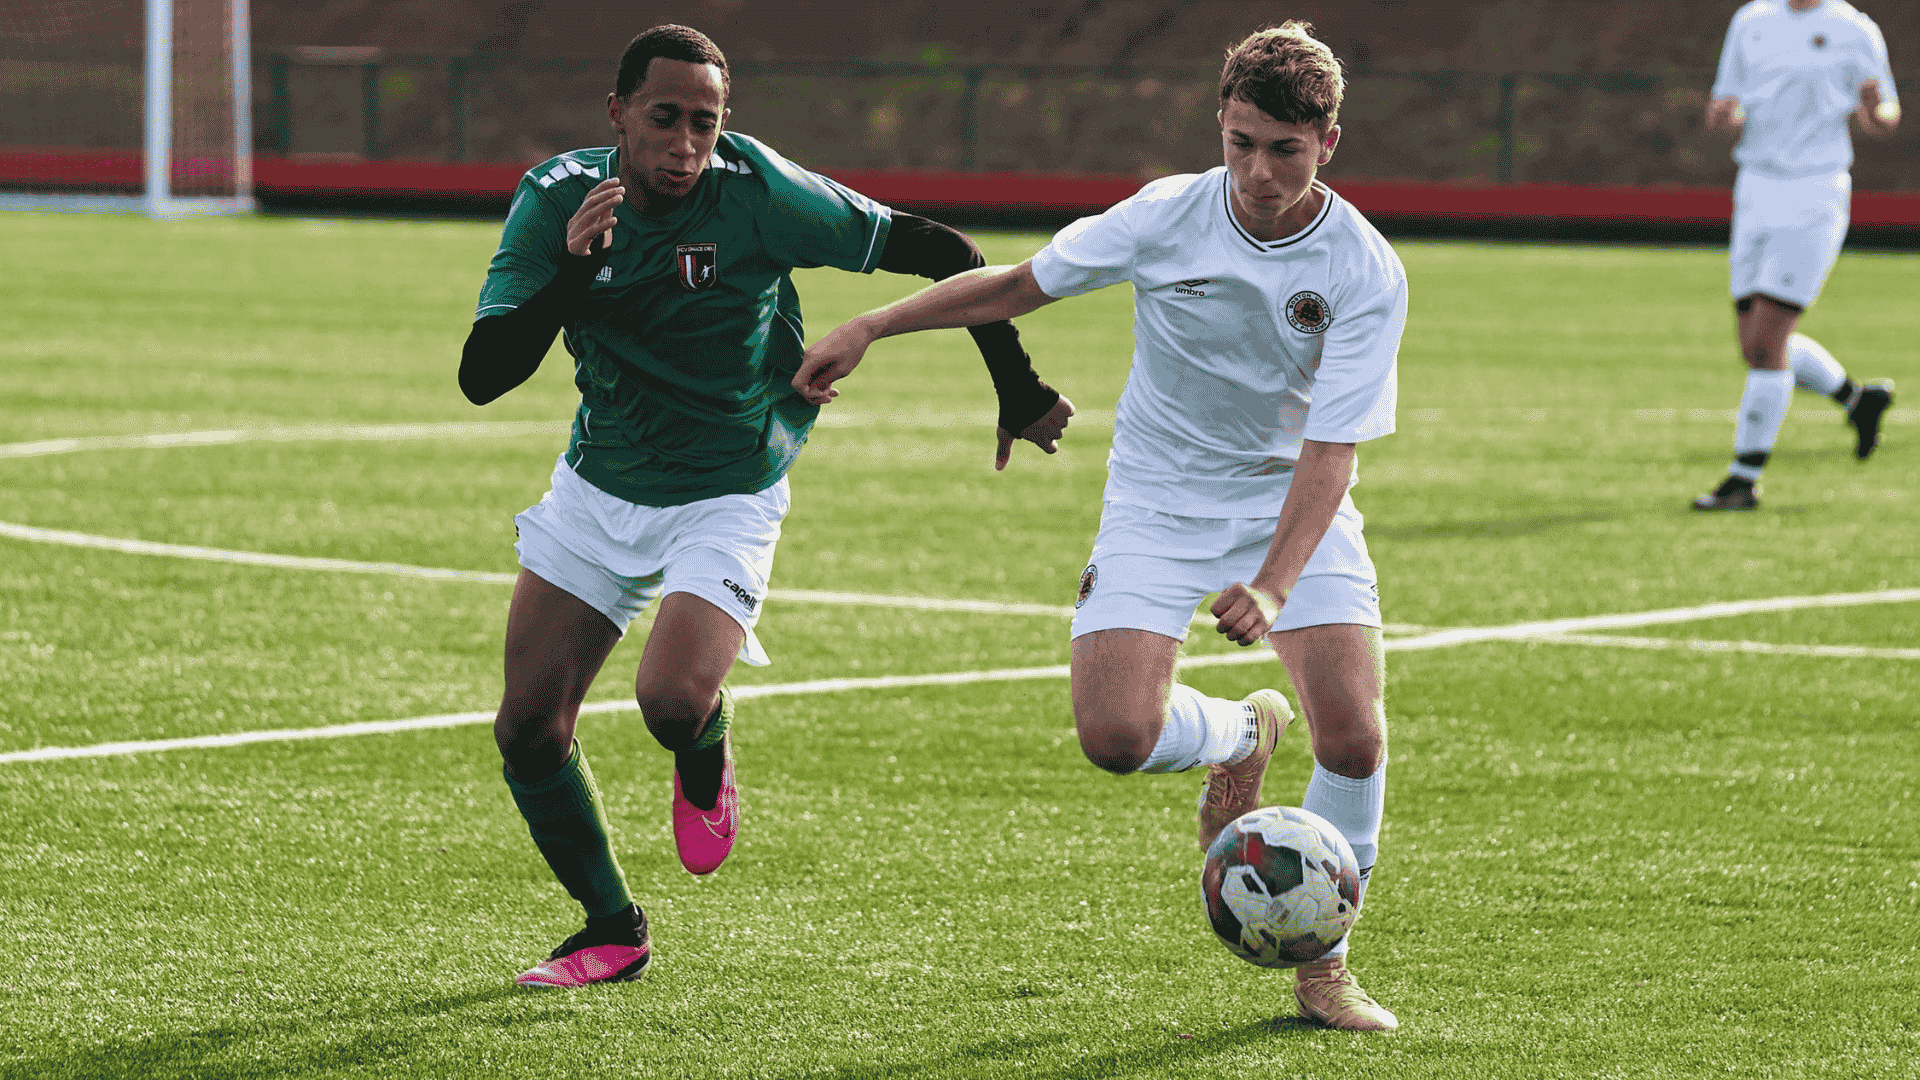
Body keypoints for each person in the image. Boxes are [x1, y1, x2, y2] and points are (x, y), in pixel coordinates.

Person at [795, 22, 1404, 1032]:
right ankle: (1239, 734)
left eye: (1284, 150)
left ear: (1328, 142)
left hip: (1282, 499)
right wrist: (872, 326)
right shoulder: (1167, 213)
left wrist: (1274, 585)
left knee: (1354, 733)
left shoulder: (1362, 268)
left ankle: (1324, 964)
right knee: (1116, 738)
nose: (1258, 170)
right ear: (1222, 123)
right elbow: (1018, 283)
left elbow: (1331, 454)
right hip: (1158, 498)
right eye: (1242, 142)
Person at [459, 24, 1074, 989]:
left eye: (705, 122)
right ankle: (611, 928)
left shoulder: (758, 190)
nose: (686, 143)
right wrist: (573, 274)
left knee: (669, 702)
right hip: (600, 486)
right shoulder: (555, 200)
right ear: (617, 114)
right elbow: (483, 377)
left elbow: (940, 248)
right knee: (526, 732)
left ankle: (702, 746)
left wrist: (1017, 384)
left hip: (729, 485)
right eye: (665, 119)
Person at [1692, 0, 1900, 511]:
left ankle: (1743, 480)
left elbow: (1886, 113)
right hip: (1755, 189)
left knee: (1767, 343)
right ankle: (1858, 399)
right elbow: (1727, 104)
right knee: (1756, 345)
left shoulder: (1854, 29)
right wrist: (1724, 116)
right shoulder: (1750, 20)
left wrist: (1876, 114)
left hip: (1815, 193)